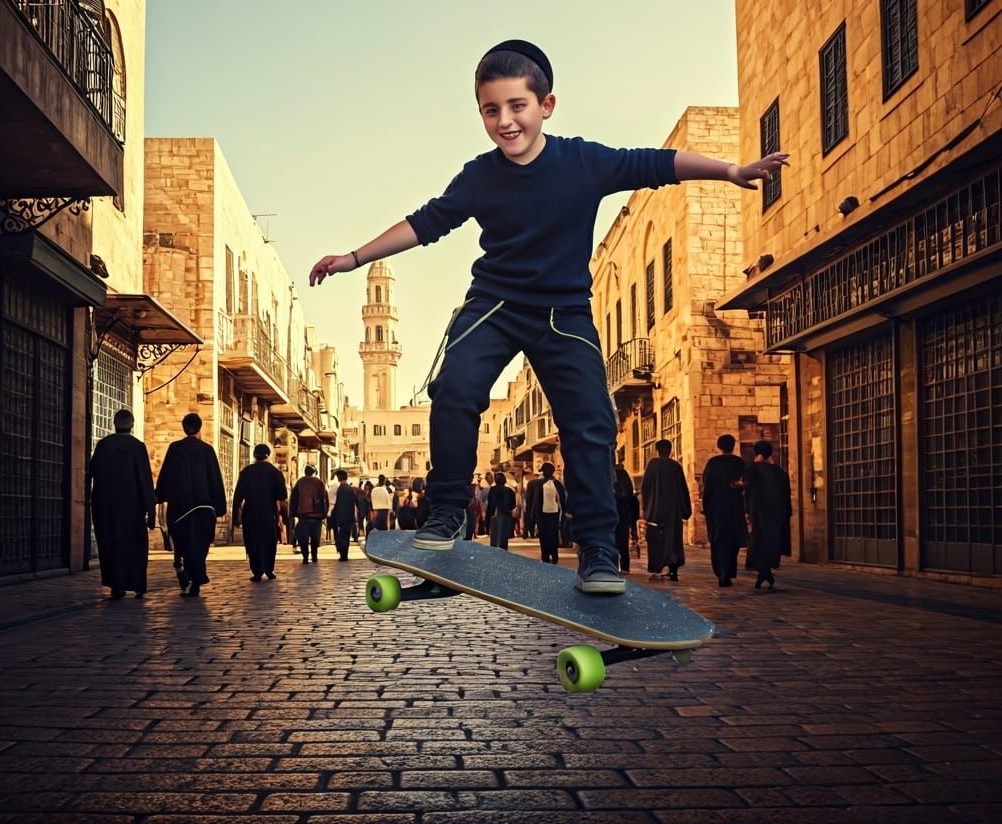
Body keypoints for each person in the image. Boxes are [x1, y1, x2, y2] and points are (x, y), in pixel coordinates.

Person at [309, 39, 788, 594]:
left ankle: (599, 552)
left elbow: (656, 163)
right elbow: (426, 222)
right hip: (494, 304)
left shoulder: (582, 161)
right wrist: (353, 258)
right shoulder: (480, 175)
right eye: (491, 110)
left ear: (546, 105)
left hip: (564, 313)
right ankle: (448, 513)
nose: (505, 121)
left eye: (517, 106)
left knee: (591, 423)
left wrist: (729, 169)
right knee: (456, 387)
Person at [155, 412, 227, 598]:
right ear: (200, 427)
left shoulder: (175, 449)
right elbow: (215, 479)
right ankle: (196, 577)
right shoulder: (207, 450)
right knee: (200, 545)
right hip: (204, 508)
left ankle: (188, 573)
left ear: (184, 427)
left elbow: (166, 477)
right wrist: (220, 506)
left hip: (181, 508)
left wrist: (159, 497)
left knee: (183, 544)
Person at [88, 408, 156, 600]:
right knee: (134, 546)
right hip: (133, 508)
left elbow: (93, 471)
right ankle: (138, 584)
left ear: (115, 424)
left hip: (107, 506)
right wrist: (150, 510)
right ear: (132, 425)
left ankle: (116, 585)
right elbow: (145, 479)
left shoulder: (103, 446)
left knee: (111, 546)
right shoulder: (138, 447)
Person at [232, 444, 287, 581]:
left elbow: (238, 496)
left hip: (250, 513)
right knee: (269, 541)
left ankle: (257, 570)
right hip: (269, 513)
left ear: (254, 455)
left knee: (252, 541)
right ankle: (269, 569)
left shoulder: (246, 471)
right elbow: (282, 495)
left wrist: (236, 518)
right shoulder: (275, 472)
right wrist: (284, 517)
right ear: (268, 455)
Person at [640, 439, 691, 582]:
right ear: (671, 450)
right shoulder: (676, 466)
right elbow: (683, 489)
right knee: (673, 539)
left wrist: (646, 508)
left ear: (657, 450)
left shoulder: (652, 465)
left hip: (656, 509)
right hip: (673, 511)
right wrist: (686, 510)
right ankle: (673, 569)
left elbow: (645, 487)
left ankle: (657, 568)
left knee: (657, 539)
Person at [744, 440, 792, 590]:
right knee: (772, 541)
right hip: (777, 513)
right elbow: (786, 494)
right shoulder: (780, 472)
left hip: (759, 511)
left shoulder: (753, 469)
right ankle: (766, 571)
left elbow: (748, 490)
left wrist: (747, 510)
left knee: (759, 541)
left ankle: (763, 571)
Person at [702, 435, 748, 588]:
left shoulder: (713, 464)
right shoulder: (739, 462)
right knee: (732, 540)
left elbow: (707, 487)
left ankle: (721, 571)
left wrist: (706, 507)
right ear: (733, 446)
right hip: (734, 505)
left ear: (719, 446)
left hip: (717, 507)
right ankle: (727, 571)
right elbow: (746, 483)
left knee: (719, 540)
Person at [525, 463, 567, 564]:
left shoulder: (533, 484)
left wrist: (530, 521)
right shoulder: (558, 484)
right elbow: (563, 501)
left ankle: (546, 556)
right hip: (554, 515)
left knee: (544, 535)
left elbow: (529, 503)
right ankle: (553, 554)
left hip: (541, 516)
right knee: (553, 534)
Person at [290, 465, 328, 564]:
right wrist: (324, 513)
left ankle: (305, 557)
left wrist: (293, 512)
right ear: (314, 472)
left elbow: (294, 498)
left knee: (303, 538)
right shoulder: (319, 482)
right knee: (315, 538)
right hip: (317, 516)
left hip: (303, 516)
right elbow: (324, 498)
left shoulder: (299, 482)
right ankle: (314, 556)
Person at [613, 460, 640, 575]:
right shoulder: (631, 498)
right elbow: (634, 515)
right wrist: (634, 530)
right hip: (624, 521)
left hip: (612, 521)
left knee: (611, 543)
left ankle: (612, 565)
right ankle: (625, 566)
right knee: (623, 543)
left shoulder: (611, 497)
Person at [330, 469, 357, 562]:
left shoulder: (340, 489)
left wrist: (334, 514)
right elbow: (355, 502)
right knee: (346, 536)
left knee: (341, 536)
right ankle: (345, 555)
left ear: (338, 478)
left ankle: (343, 555)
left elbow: (338, 503)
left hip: (341, 517)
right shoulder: (350, 489)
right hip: (349, 516)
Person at [486, 471, 517, 550]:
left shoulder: (492, 490)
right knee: (503, 538)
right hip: (506, 515)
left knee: (494, 538)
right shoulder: (510, 491)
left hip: (495, 515)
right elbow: (513, 505)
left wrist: (487, 520)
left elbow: (490, 505)